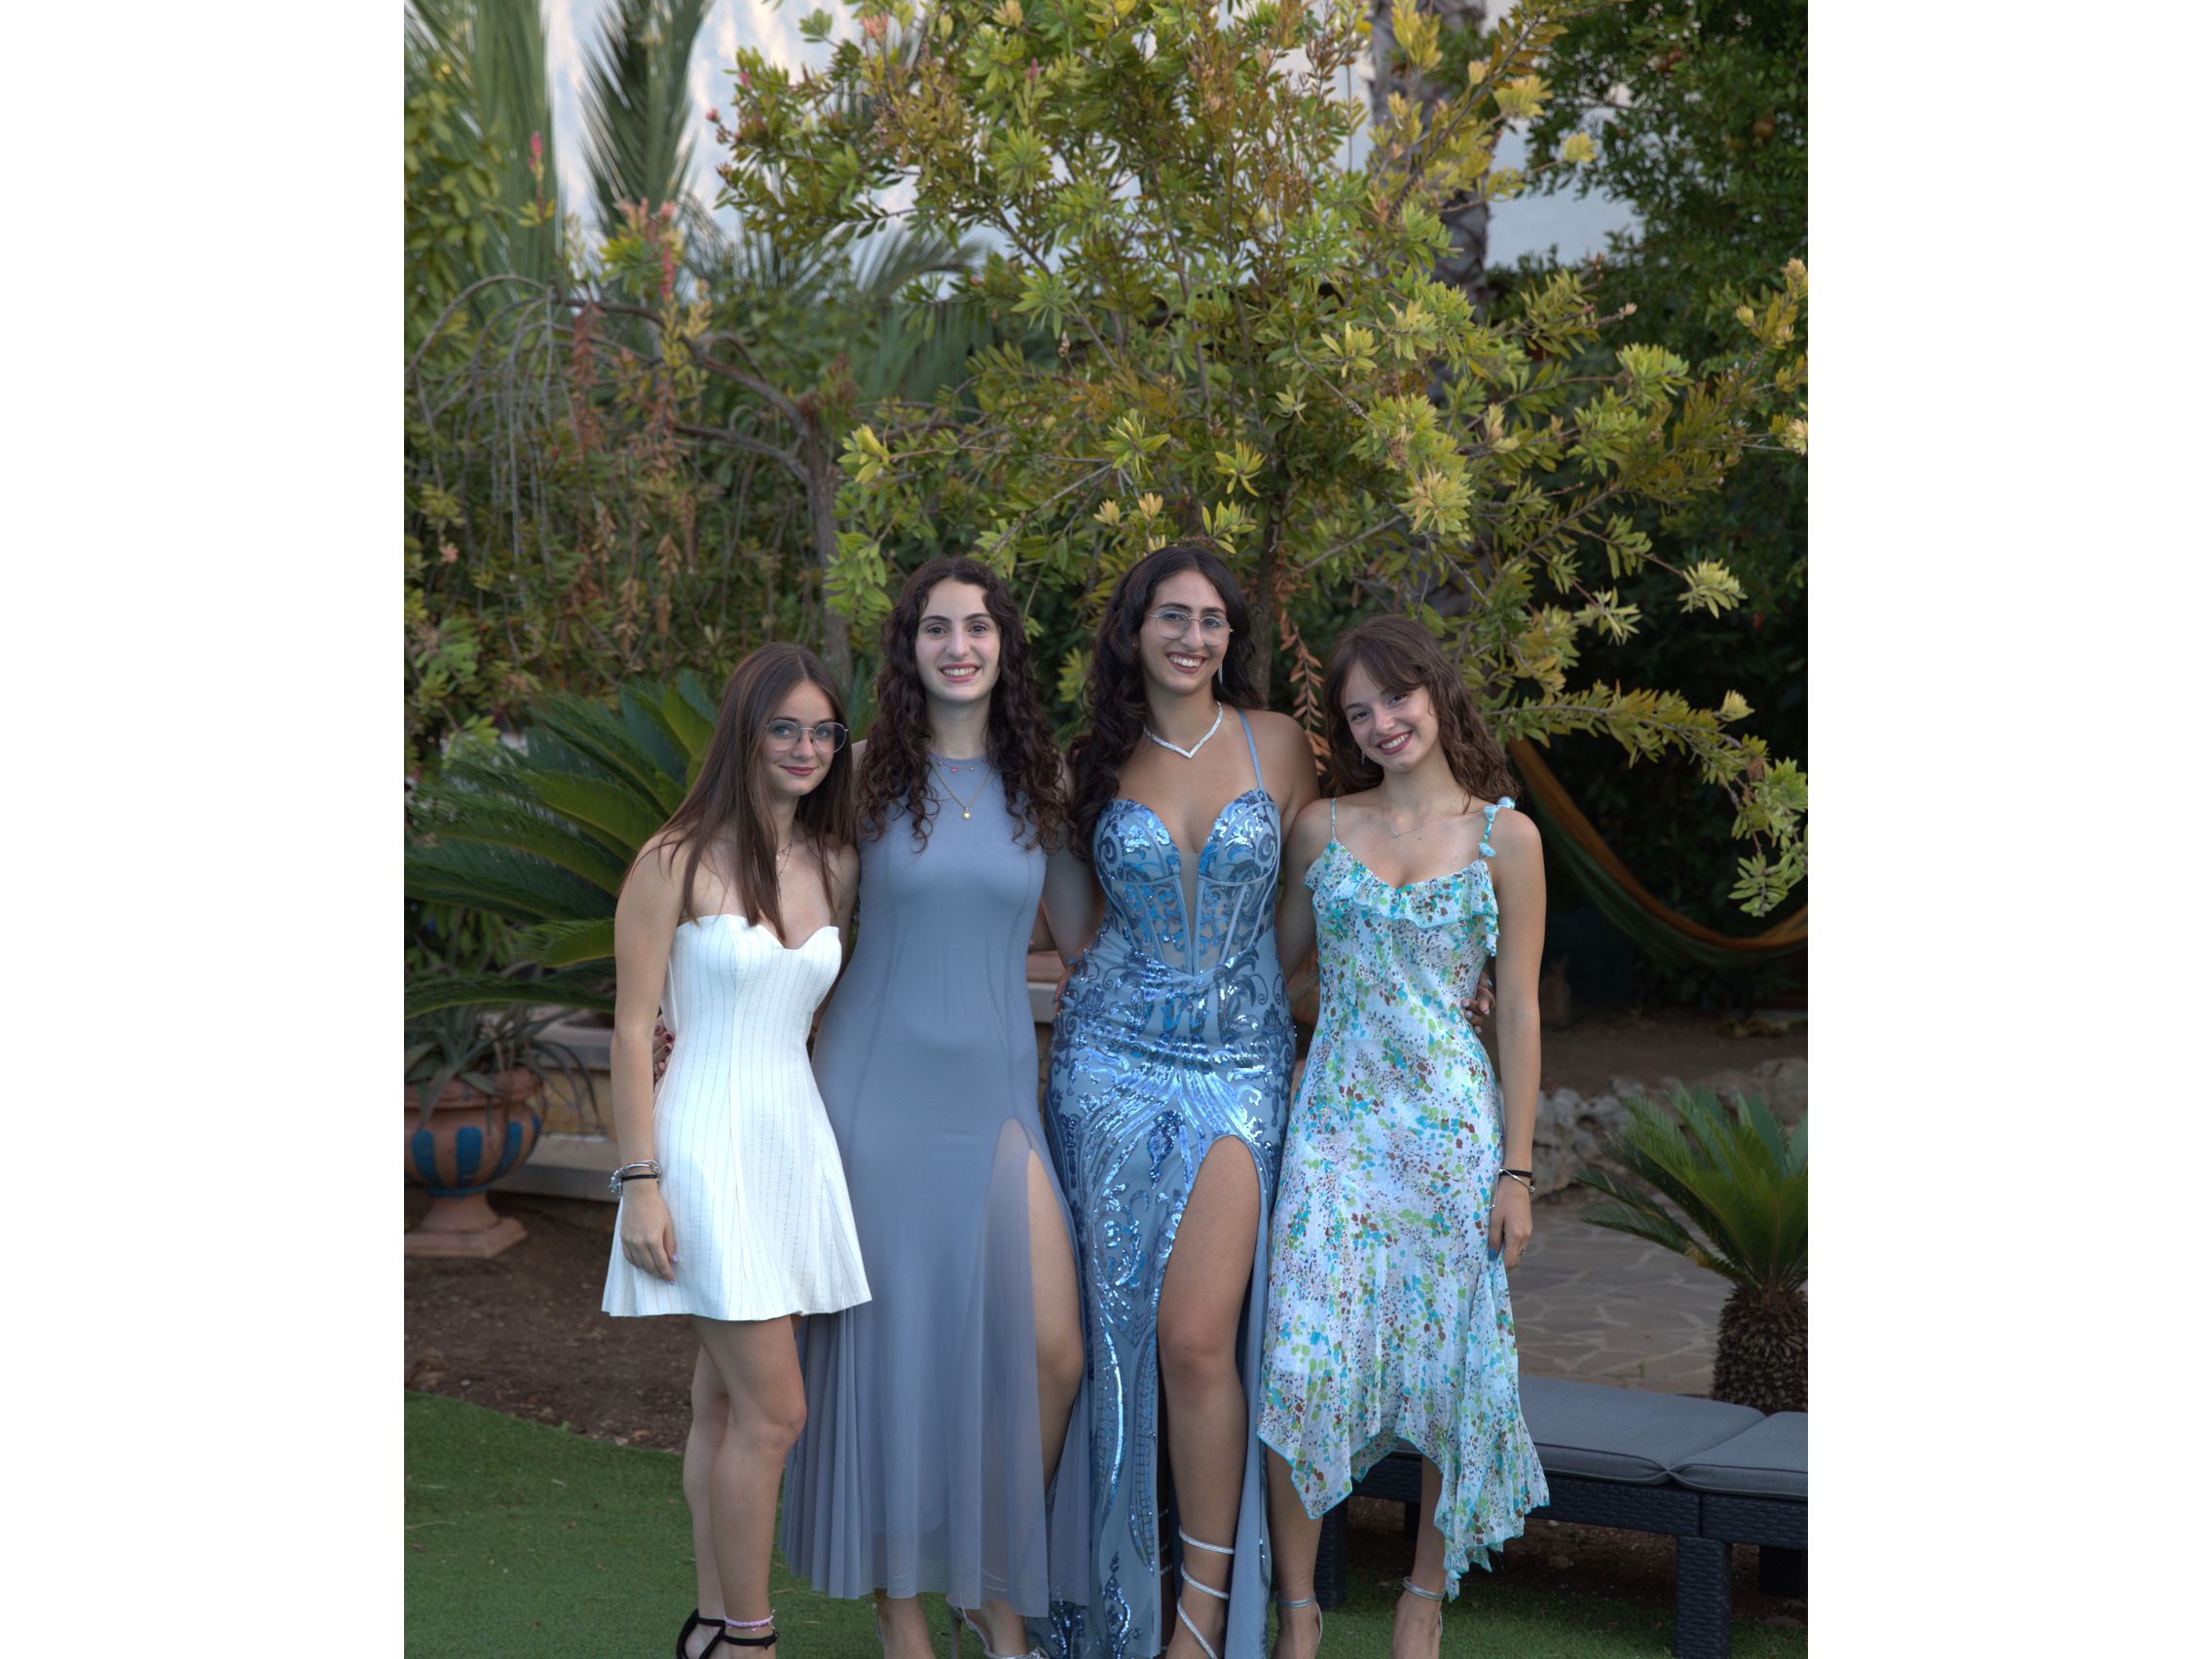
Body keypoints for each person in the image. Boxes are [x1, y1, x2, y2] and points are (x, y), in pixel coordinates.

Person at [781, 558, 1088, 1659]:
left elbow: (1087, 938)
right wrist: (705, 1016)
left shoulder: (1043, 780)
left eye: (979, 627)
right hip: (874, 1096)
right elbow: (801, 918)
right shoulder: (863, 772)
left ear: (1006, 646)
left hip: (999, 1100)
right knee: (887, 1353)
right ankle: (900, 1609)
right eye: (936, 629)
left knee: (1052, 1352)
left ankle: (985, 1573)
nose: (959, 647)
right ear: (908, 650)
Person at [1040, 544, 1318, 1659]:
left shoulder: (1278, 744)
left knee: (1196, 1340)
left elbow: (1316, 906)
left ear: (1229, 638)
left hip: (1240, 1069)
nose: (1192, 637)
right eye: (1171, 616)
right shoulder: (1086, 766)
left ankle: (1199, 1624)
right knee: (1109, 1345)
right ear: (1133, 628)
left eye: (1211, 620)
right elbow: (1071, 932)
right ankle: (1105, 1614)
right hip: (1106, 1068)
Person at [1257, 616, 1549, 1659]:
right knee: (1301, 1363)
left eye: (1397, 696)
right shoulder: (1321, 829)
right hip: (1334, 1135)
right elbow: (1273, 973)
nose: (1382, 722)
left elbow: (1519, 1010)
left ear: (1435, 692)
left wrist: (1517, 1172)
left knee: (1449, 1369)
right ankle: (1299, 1613)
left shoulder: (1507, 838)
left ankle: (1422, 1599)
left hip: (1452, 1141)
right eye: (1358, 712)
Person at [601, 642, 870, 1659]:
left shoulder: (837, 864)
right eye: (783, 727)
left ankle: (712, 1628)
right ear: (745, 734)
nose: (806, 747)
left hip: (791, 1148)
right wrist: (640, 1183)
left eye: (823, 730)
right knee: (774, 1412)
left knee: (721, 1404)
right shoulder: (672, 859)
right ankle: (752, 1641)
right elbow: (633, 1029)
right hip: (702, 1148)